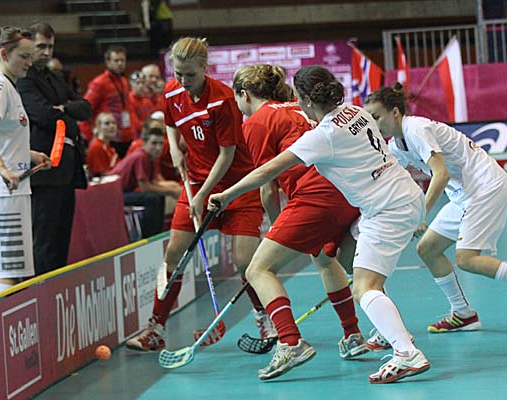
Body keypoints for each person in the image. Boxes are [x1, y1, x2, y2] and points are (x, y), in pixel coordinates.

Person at [209, 66, 430, 384]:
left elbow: (267, 173)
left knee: (361, 286)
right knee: (343, 262)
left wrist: (226, 195)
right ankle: (381, 334)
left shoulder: (322, 137)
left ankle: (404, 353)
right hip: (400, 196)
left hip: (386, 208)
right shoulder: (356, 111)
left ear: (307, 100)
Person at [364, 83, 507, 333]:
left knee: (467, 258)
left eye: (376, 117)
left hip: (485, 187)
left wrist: (420, 215)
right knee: (428, 249)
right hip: (463, 195)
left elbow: (441, 175)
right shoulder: (396, 145)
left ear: (394, 112)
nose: (373, 124)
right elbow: (394, 182)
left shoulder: (416, 129)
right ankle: (463, 313)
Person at [125, 37, 268, 352]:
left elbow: (227, 154)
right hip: (197, 183)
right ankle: (155, 328)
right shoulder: (172, 91)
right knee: (173, 256)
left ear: (204, 67)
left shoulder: (222, 100)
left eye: (190, 74)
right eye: (178, 73)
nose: (183, 80)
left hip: (237, 186)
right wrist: (175, 148)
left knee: (246, 262)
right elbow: (171, 122)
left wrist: (202, 195)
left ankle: (265, 319)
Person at [231, 64, 369, 366]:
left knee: (258, 269)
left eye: (236, 98)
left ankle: (290, 342)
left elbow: (268, 188)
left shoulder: (256, 122)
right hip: (345, 191)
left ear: (244, 95)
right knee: (324, 260)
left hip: (315, 196)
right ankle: (352, 334)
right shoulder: (297, 106)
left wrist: (277, 228)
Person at [0, 27, 50, 295]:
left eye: (31, 56)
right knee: (5, 274)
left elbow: (4, 139)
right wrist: (3, 169)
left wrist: (31, 155)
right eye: (24, 56)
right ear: (4, 54)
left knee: (14, 273)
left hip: (14, 192)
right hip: (1, 193)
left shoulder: (10, 86)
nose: (30, 63)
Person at [17, 22, 91, 276]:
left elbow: (86, 108)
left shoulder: (56, 78)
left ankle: (57, 286)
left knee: (61, 241)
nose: (46, 52)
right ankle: (42, 290)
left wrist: (64, 109)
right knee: (44, 242)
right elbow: (44, 115)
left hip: (67, 171)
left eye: (50, 47)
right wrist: (66, 115)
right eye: (41, 46)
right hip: (44, 172)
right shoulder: (24, 80)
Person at [111, 126, 181, 238]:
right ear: (144, 142)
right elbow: (145, 188)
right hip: (115, 195)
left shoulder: (150, 157)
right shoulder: (141, 157)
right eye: (154, 143)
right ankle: (149, 236)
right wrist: (171, 191)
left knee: (159, 196)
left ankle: (158, 232)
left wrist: (171, 189)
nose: (158, 148)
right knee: (152, 198)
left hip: (125, 192)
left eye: (160, 144)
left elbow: (152, 183)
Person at [78, 46, 133, 157]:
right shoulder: (99, 83)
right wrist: (91, 138)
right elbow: (85, 110)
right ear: (108, 62)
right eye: (116, 60)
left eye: (122, 60)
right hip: (108, 137)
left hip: (126, 136)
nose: (120, 63)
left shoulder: (124, 81)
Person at [86, 112, 119, 177]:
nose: (112, 126)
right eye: (107, 123)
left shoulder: (110, 148)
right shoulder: (97, 146)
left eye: (114, 123)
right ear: (98, 127)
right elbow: (102, 173)